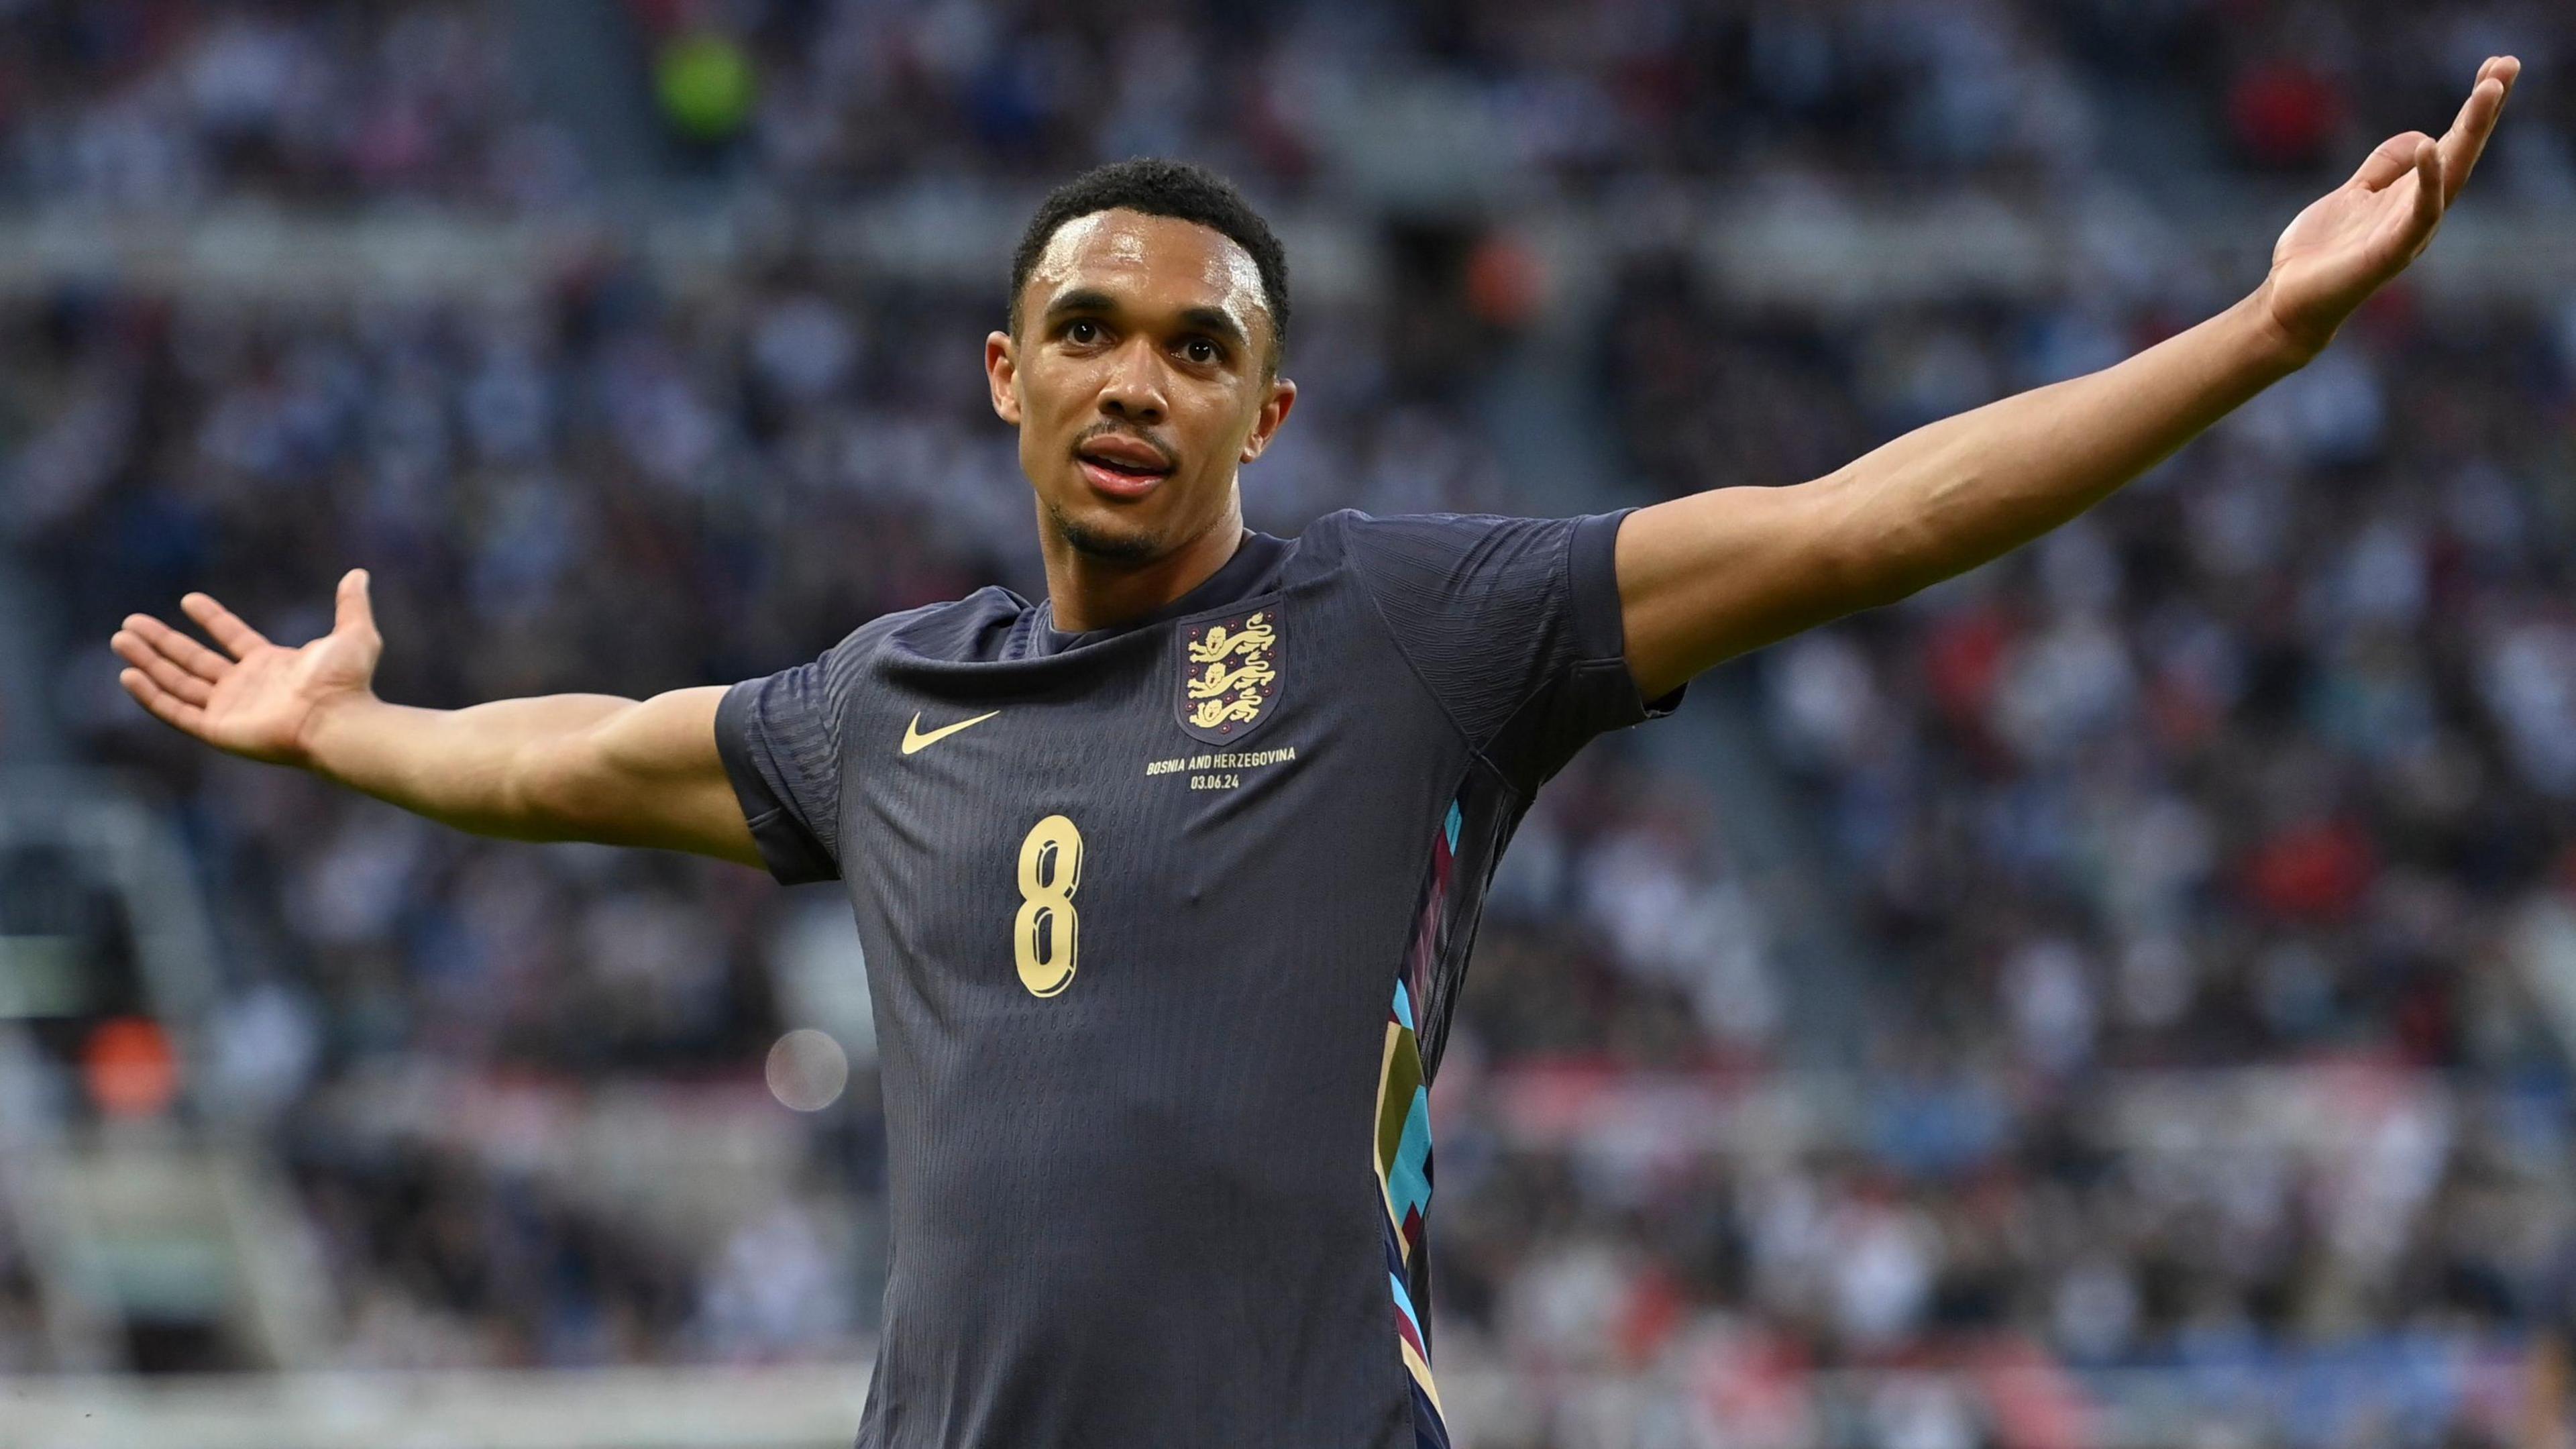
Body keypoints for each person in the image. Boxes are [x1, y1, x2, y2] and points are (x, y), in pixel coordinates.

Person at [110, 59, 2520, 1449]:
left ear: (1269, 404)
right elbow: (576, 759)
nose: (1136, 376)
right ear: (1006, 374)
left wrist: (2254, 340)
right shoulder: (887, 706)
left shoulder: (1411, 628)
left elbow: (1851, 522)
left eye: (1193, 344)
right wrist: (357, 734)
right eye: (1088, 328)